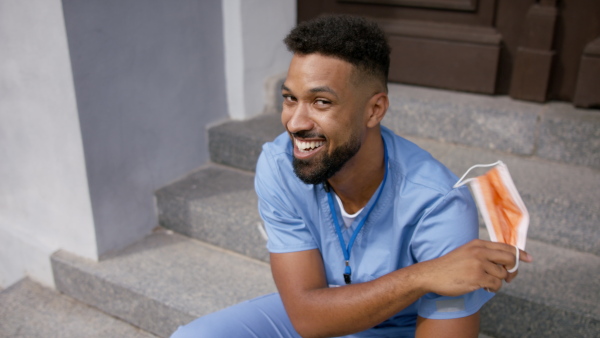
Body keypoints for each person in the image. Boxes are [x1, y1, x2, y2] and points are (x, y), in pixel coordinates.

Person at [171, 14, 532, 338]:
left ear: (374, 109)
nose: (295, 123)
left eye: (321, 102)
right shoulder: (280, 165)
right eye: (290, 98)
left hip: (401, 327)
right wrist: (423, 274)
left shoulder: (438, 202)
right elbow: (307, 316)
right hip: (321, 311)